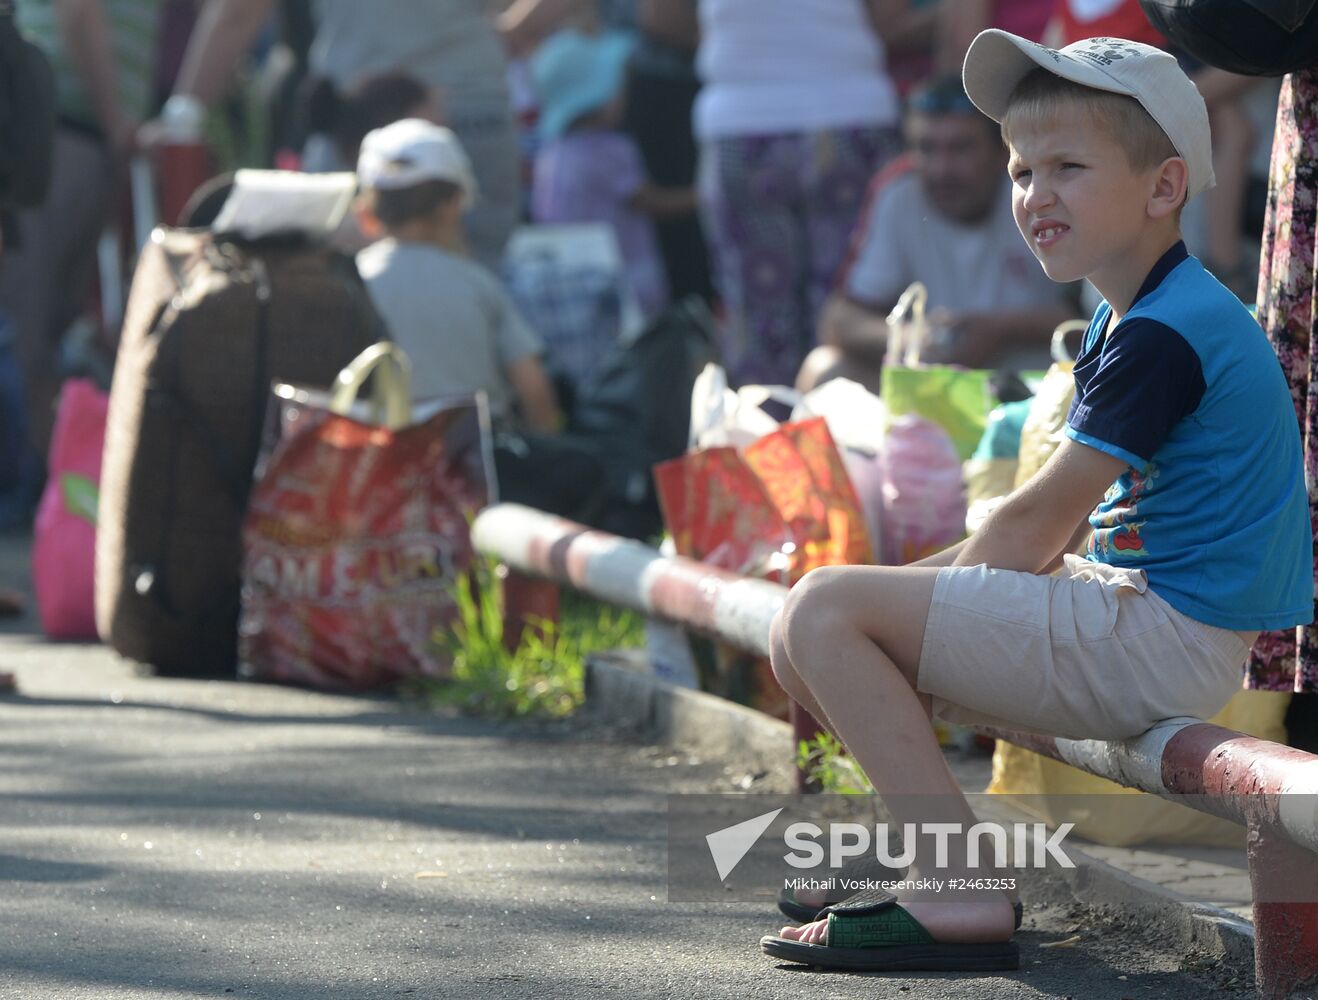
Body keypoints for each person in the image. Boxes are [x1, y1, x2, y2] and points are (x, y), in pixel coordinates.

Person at [761, 31, 1311, 972]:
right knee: (809, 628)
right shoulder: (1136, 312)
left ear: (1164, 187)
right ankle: (937, 850)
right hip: (1148, 623)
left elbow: (1034, 526)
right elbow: (1041, 540)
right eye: (1020, 170)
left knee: (822, 611)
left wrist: (876, 598)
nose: (1033, 194)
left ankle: (960, 885)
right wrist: (885, 601)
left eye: (1067, 167)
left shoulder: (1165, 334)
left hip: (1161, 638)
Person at [353, 118, 602, 520]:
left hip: (380, 473)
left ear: (366, 214)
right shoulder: (477, 284)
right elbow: (534, 387)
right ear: (453, 207)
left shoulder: (352, 284)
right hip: (476, 474)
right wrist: (546, 444)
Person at [157, 0, 521, 269]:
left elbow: (238, 14)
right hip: (472, 100)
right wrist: (508, 33)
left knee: (345, 288)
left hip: (363, 114)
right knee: (480, 284)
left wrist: (182, 116)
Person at [798, 73, 1080, 394]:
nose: (941, 169)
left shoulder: (1042, 193)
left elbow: (1097, 318)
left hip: (1043, 387)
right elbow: (839, 319)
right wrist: (913, 339)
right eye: (926, 149)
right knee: (823, 369)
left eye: (960, 149)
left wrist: (1002, 330)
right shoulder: (899, 192)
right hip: (936, 389)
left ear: (1004, 152)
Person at [693, 0, 905, 387]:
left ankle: (766, 440)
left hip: (742, 121)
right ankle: (847, 441)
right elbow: (890, 16)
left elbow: (661, 18)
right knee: (847, 306)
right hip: (849, 115)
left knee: (757, 321)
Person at [530, 28, 695, 322]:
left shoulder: (551, 153)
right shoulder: (611, 150)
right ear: (596, 96)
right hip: (625, 287)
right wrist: (705, 195)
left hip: (570, 289)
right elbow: (648, 201)